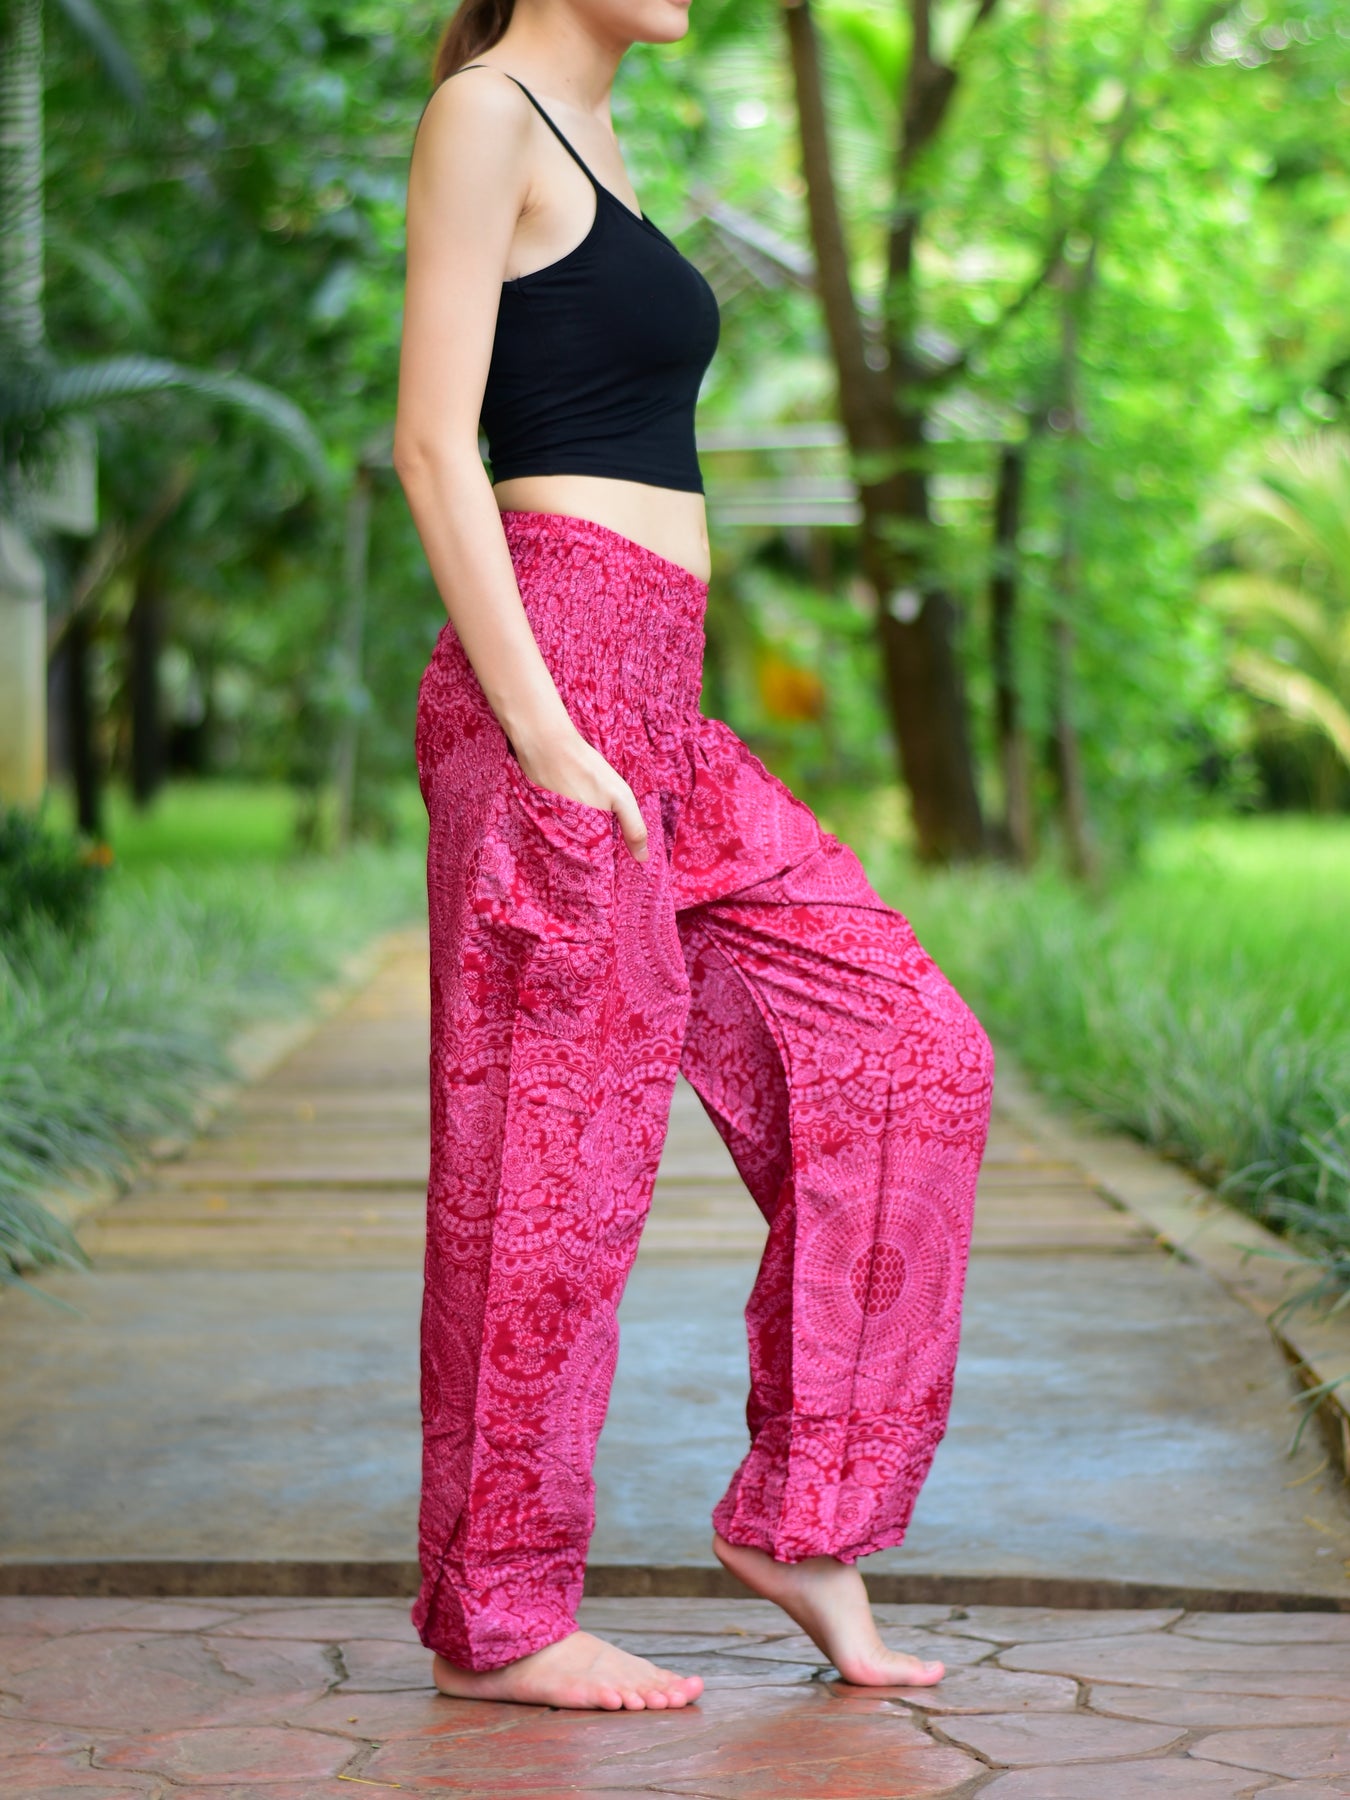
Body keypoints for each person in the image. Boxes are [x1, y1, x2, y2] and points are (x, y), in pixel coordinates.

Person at [393, 0, 995, 1715]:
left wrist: (604, 720)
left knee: (905, 1049)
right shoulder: (486, 114)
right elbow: (433, 443)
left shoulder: (607, 141)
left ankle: (808, 1519)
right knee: (547, 1174)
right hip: (553, 688)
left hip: (656, 701)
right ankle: (497, 1620)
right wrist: (538, 727)